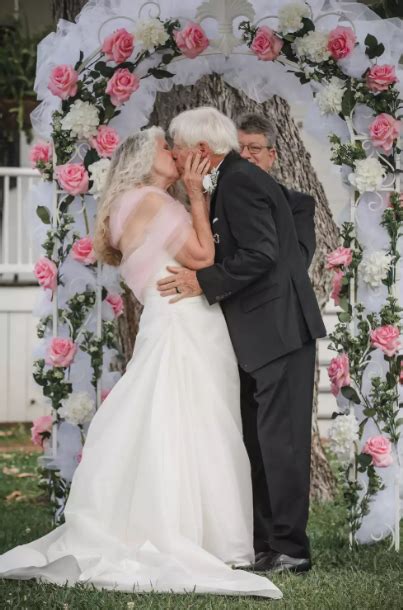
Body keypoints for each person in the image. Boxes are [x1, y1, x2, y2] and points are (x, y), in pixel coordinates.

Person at [0, 127, 281, 599]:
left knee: (169, 417)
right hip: (186, 322)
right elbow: (204, 256)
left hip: (163, 317)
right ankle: (201, 535)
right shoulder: (153, 201)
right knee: (199, 421)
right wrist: (195, 194)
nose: (174, 153)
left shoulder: (122, 207)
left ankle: (188, 526)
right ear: (142, 160)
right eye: (164, 149)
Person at [158, 107, 327, 574]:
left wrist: (202, 281)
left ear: (200, 150)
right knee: (260, 442)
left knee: (282, 443)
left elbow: (263, 254)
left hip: (279, 330)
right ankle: (266, 543)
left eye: (178, 146)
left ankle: (291, 548)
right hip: (258, 334)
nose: (174, 154)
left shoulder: (239, 181)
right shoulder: (227, 181)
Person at [237, 113, 316, 269]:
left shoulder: (298, 204)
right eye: (238, 148)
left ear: (271, 156)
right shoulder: (215, 197)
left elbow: (299, 262)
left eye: (254, 148)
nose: (245, 155)